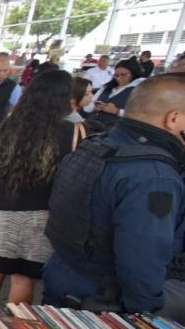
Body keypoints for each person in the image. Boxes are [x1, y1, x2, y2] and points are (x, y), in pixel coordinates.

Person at [43, 74, 185, 313]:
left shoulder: (95, 145)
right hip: (102, 300)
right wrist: (146, 319)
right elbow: (141, 263)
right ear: (173, 118)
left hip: (62, 275)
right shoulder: (155, 175)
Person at [0, 70, 77, 306]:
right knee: (23, 278)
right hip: (42, 212)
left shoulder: (11, 124)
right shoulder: (69, 132)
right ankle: (13, 328)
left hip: (2, 207)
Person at [87, 58, 144, 130]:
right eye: (116, 75)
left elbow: (141, 116)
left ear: (134, 73)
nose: (119, 78)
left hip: (114, 132)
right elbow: (89, 105)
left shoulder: (139, 89)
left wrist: (117, 111)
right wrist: (94, 107)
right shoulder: (107, 87)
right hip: (90, 125)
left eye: (123, 75)